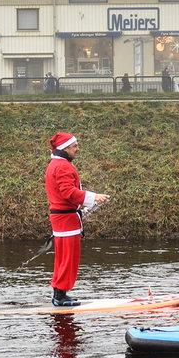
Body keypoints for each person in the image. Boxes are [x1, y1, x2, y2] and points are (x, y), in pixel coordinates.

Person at [45, 132, 109, 307]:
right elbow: (69, 193)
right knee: (68, 258)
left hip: (62, 218)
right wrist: (94, 197)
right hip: (66, 219)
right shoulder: (63, 167)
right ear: (65, 148)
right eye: (74, 146)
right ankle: (60, 296)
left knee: (62, 258)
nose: (77, 149)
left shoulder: (55, 164)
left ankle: (59, 293)